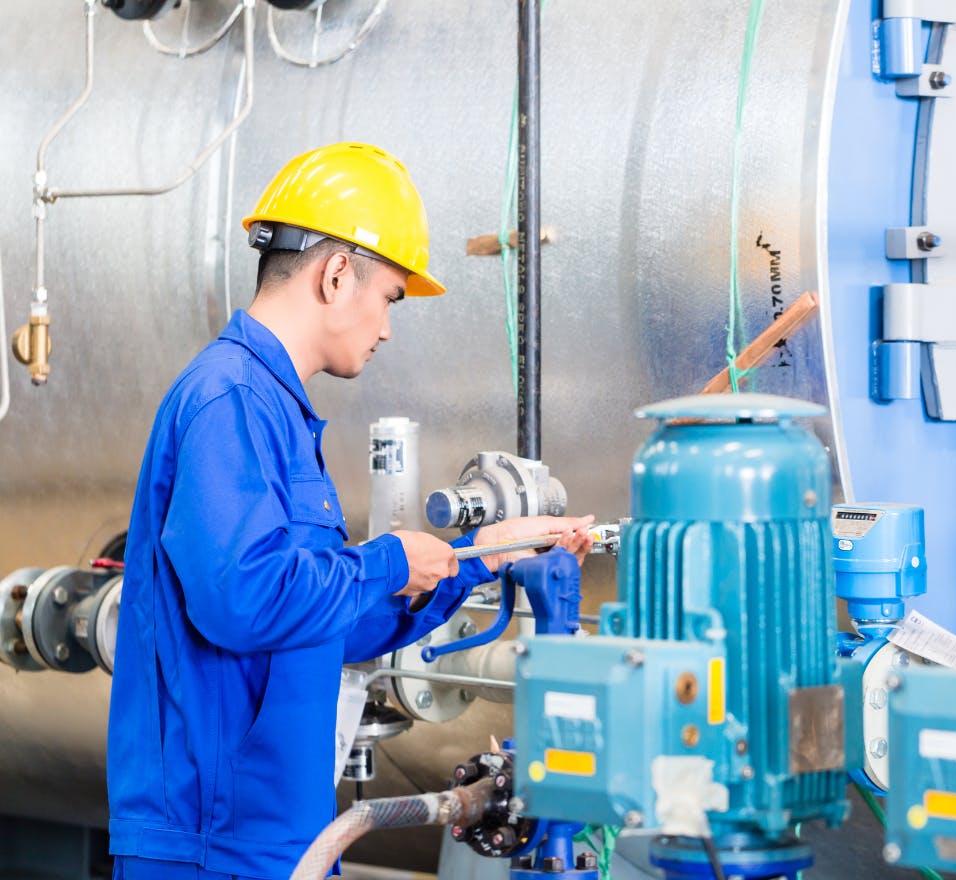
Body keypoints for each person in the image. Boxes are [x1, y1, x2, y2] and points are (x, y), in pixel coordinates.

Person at [107, 142, 593, 880]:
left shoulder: (276, 413)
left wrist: (481, 556)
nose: (389, 327)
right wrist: (393, 558)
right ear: (337, 274)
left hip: (284, 837)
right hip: (211, 849)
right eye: (391, 297)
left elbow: (329, 619)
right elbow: (241, 599)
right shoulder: (229, 400)